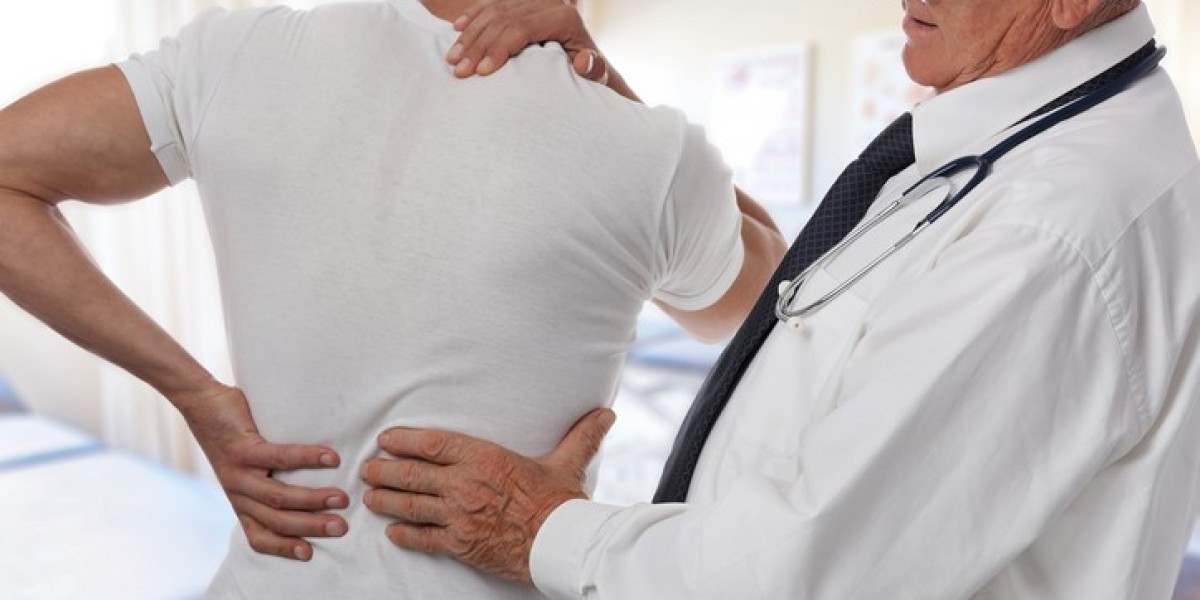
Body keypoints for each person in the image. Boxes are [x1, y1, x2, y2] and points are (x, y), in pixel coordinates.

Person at [360, 0, 1200, 598]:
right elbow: (787, 297)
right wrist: (603, 102)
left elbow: (802, 571)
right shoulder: (1007, 136)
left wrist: (537, 527)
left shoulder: (1051, 230)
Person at [0, 0, 785, 598]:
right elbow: (769, 300)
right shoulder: (648, 152)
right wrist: (606, 81)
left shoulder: (239, 55)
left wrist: (194, 394)